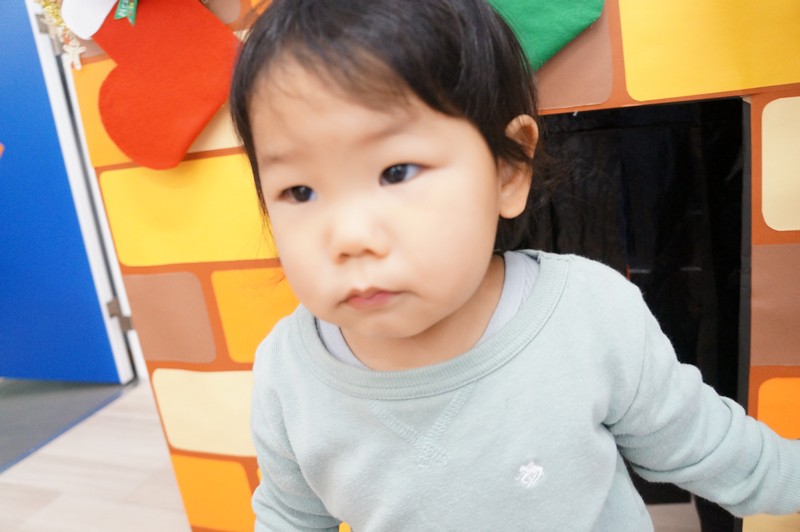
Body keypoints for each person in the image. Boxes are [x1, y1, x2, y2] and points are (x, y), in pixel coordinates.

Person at [229, 0, 800, 529]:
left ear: (508, 170)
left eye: (396, 172)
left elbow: (713, 449)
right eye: (300, 191)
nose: (349, 237)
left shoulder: (588, 314)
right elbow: (289, 517)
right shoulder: (288, 374)